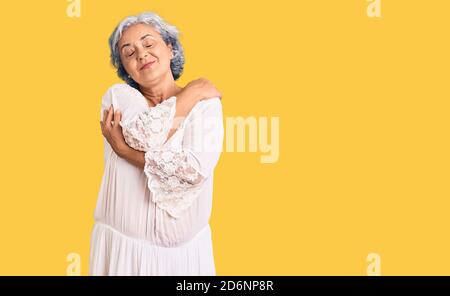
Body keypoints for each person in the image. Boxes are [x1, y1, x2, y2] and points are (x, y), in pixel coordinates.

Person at [89, 12, 224, 276]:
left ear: (170, 49)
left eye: (149, 44)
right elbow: (145, 135)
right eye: (129, 53)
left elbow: (192, 171)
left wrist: (125, 152)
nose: (141, 54)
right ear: (124, 69)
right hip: (122, 253)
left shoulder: (207, 106)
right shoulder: (118, 98)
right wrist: (192, 92)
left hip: (186, 259)